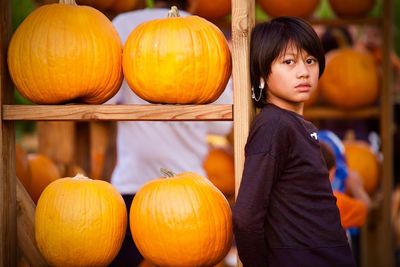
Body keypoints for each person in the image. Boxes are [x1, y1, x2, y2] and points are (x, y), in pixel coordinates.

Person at [107, 1, 233, 266]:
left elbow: (105, 99)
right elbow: (222, 125)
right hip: (190, 194)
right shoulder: (206, 36)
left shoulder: (124, 27)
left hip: (133, 182)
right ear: (194, 1)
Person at [232, 17, 356, 267]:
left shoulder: (295, 125)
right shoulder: (273, 125)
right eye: (289, 62)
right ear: (262, 71)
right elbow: (246, 217)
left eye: (310, 61)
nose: (303, 71)